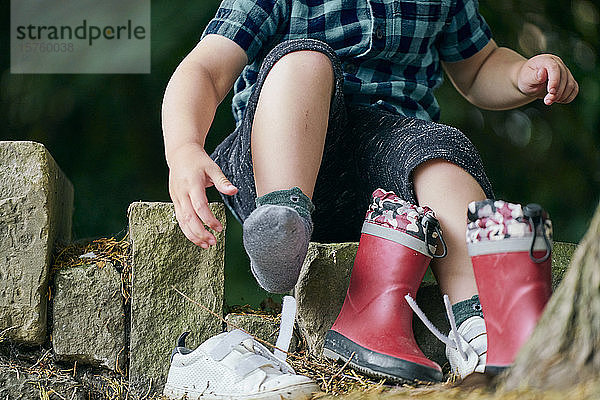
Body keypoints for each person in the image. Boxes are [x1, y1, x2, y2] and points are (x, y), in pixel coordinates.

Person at [161, 0, 578, 396]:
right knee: (304, 60)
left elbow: (479, 66)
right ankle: (281, 221)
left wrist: (520, 73)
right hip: (281, 153)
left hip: (389, 186)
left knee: (442, 157)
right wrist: (183, 147)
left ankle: (478, 327)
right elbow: (206, 68)